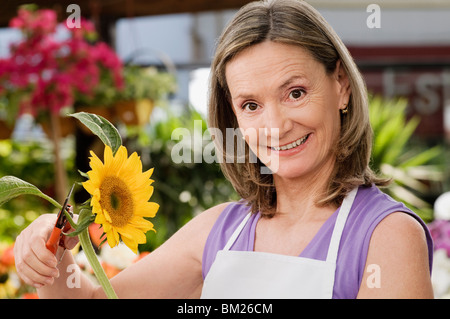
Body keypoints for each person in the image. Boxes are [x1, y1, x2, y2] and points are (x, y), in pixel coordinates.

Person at [14, 0, 434, 299]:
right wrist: (49, 255)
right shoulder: (221, 229)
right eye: (251, 105)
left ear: (341, 85)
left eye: (295, 92)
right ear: (233, 118)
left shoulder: (386, 237)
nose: (275, 125)